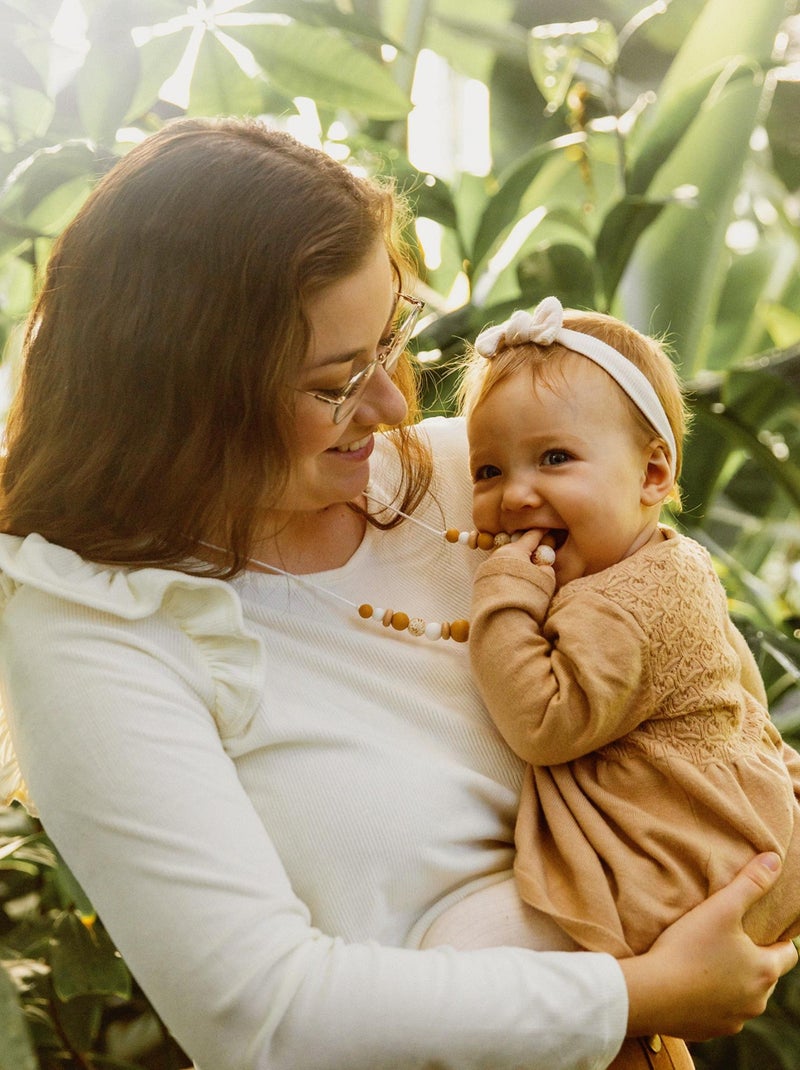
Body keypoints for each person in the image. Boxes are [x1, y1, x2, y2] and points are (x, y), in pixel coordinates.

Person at [0, 118, 794, 1070]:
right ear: (188, 393)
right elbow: (260, 1018)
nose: (391, 406)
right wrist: (638, 993)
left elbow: (703, 679)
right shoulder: (95, 626)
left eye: (390, 339)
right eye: (337, 382)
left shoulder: (482, 478)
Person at [420, 298, 800, 1065]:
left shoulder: (627, 604)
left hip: (700, 861)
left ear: (654, 471)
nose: (516, 494)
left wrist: (502, 597)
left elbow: (543, 721)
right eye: (488, 470)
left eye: (555, 459)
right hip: (731, 838)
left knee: (492, 973)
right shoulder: (661, 562)